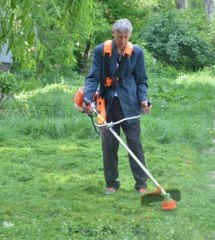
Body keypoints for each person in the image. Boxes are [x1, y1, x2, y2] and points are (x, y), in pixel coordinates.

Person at [83, 19, 152, 195]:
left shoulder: (137, 53)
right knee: (109, 146)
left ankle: (141, 184)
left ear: (130, 36)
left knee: (135, 145)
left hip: (130, 105)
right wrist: (88, 99)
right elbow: (92, 78)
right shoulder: (101, 51)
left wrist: (143, 100)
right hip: (106, 105)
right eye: (119, 37)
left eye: (125, 37)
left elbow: (141, 80)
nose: (122, 41)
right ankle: (111, 184)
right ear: (113, 33)